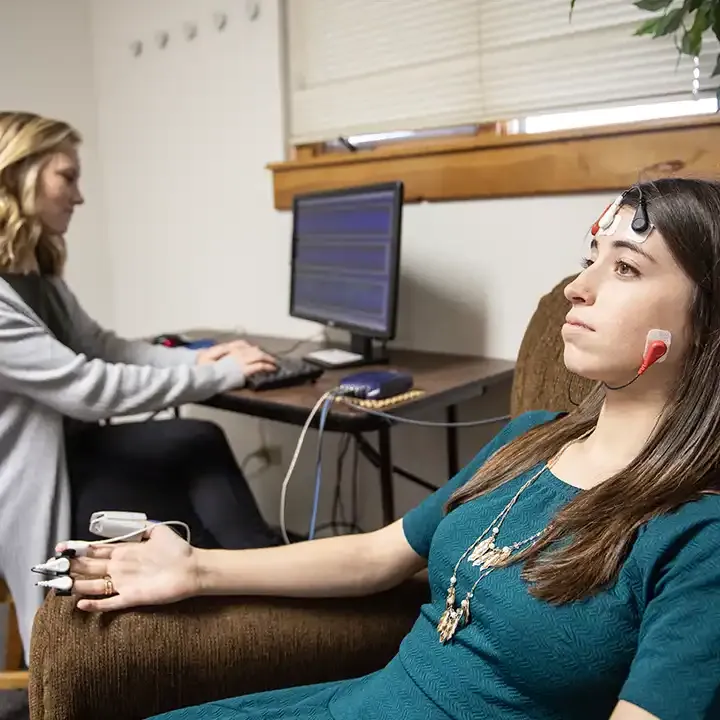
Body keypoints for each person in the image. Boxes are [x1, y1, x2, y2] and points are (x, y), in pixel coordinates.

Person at [65, 178, 720, 720]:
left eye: (627, 267)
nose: (579, 286)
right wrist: (197, 569)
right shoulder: (528, 438)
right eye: (590, 258)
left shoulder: (699, 534)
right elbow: (376, 554)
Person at [0, 111, 282, 665]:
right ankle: (242, 629)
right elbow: (88, 386)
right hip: (25, 484)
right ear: (18, 175)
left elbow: (106, 346)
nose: (78, 196)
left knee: (195, 440)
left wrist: (204, 356)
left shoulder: (33, 270)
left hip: (70, 454)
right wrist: (220, 375)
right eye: (67, 177)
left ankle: (267, 597)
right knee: (181, 505)